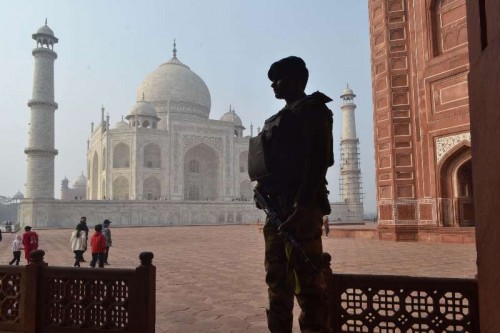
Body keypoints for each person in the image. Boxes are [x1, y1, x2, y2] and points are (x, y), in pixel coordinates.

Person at [249, 56, 334, 332]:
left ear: (298, 80)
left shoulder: (313, 110)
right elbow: (269, 165)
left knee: (308, 283)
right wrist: (262, 190)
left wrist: (302, 206)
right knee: (277, 281)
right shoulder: (274, 120)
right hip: (276, 210)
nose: (273, 85)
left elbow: (317, 161)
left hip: (302, 210)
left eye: (279, 79)